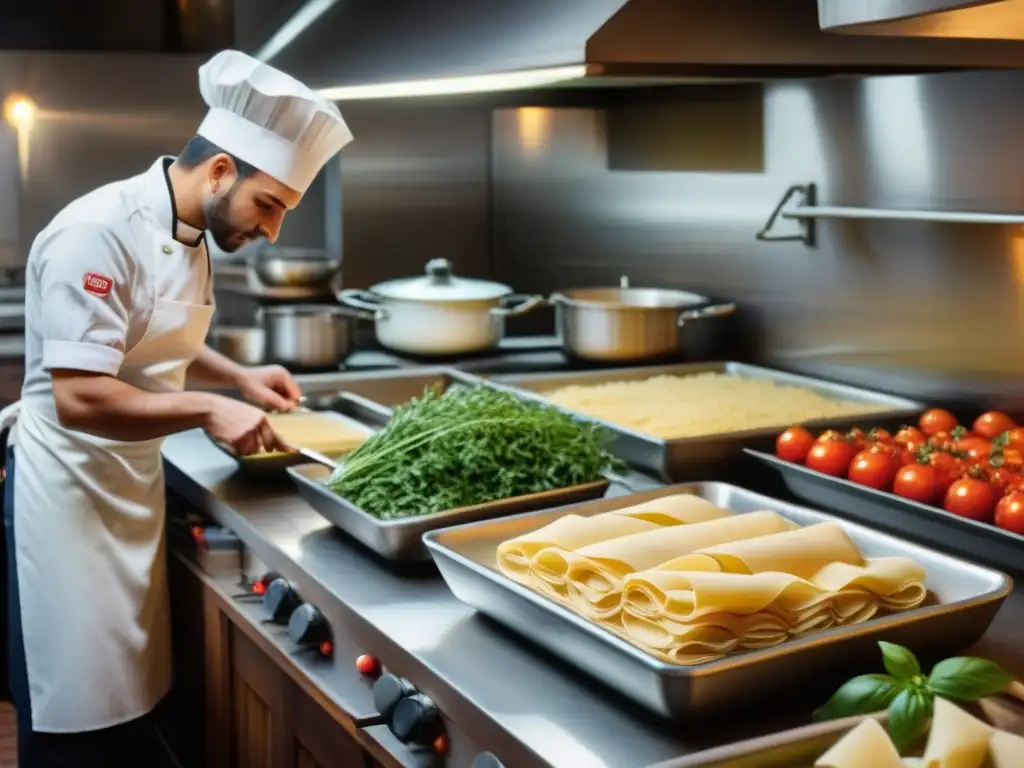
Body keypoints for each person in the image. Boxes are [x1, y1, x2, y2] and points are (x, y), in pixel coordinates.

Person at [0, 50, 353, 766]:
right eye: (270, 205)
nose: (273, 230)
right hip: (64, 499)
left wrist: (241, 377)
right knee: (73, 710)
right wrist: (205, 411)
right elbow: (80, 394)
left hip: (127, 488)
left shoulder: (192, 231)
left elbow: (155, 343)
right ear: (221, 171)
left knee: (128, 706)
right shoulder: (94, 232)